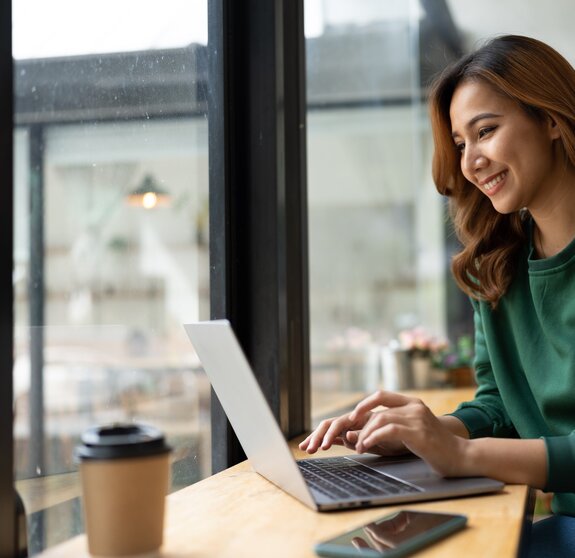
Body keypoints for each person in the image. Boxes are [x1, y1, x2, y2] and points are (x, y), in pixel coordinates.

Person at [299, 35, 575, 556]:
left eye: (485, 132)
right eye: (461, 143)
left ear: (552, 119)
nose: (471, 162)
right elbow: (500, 405)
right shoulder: (497, 266)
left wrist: (462, 456)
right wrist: (423, 431)